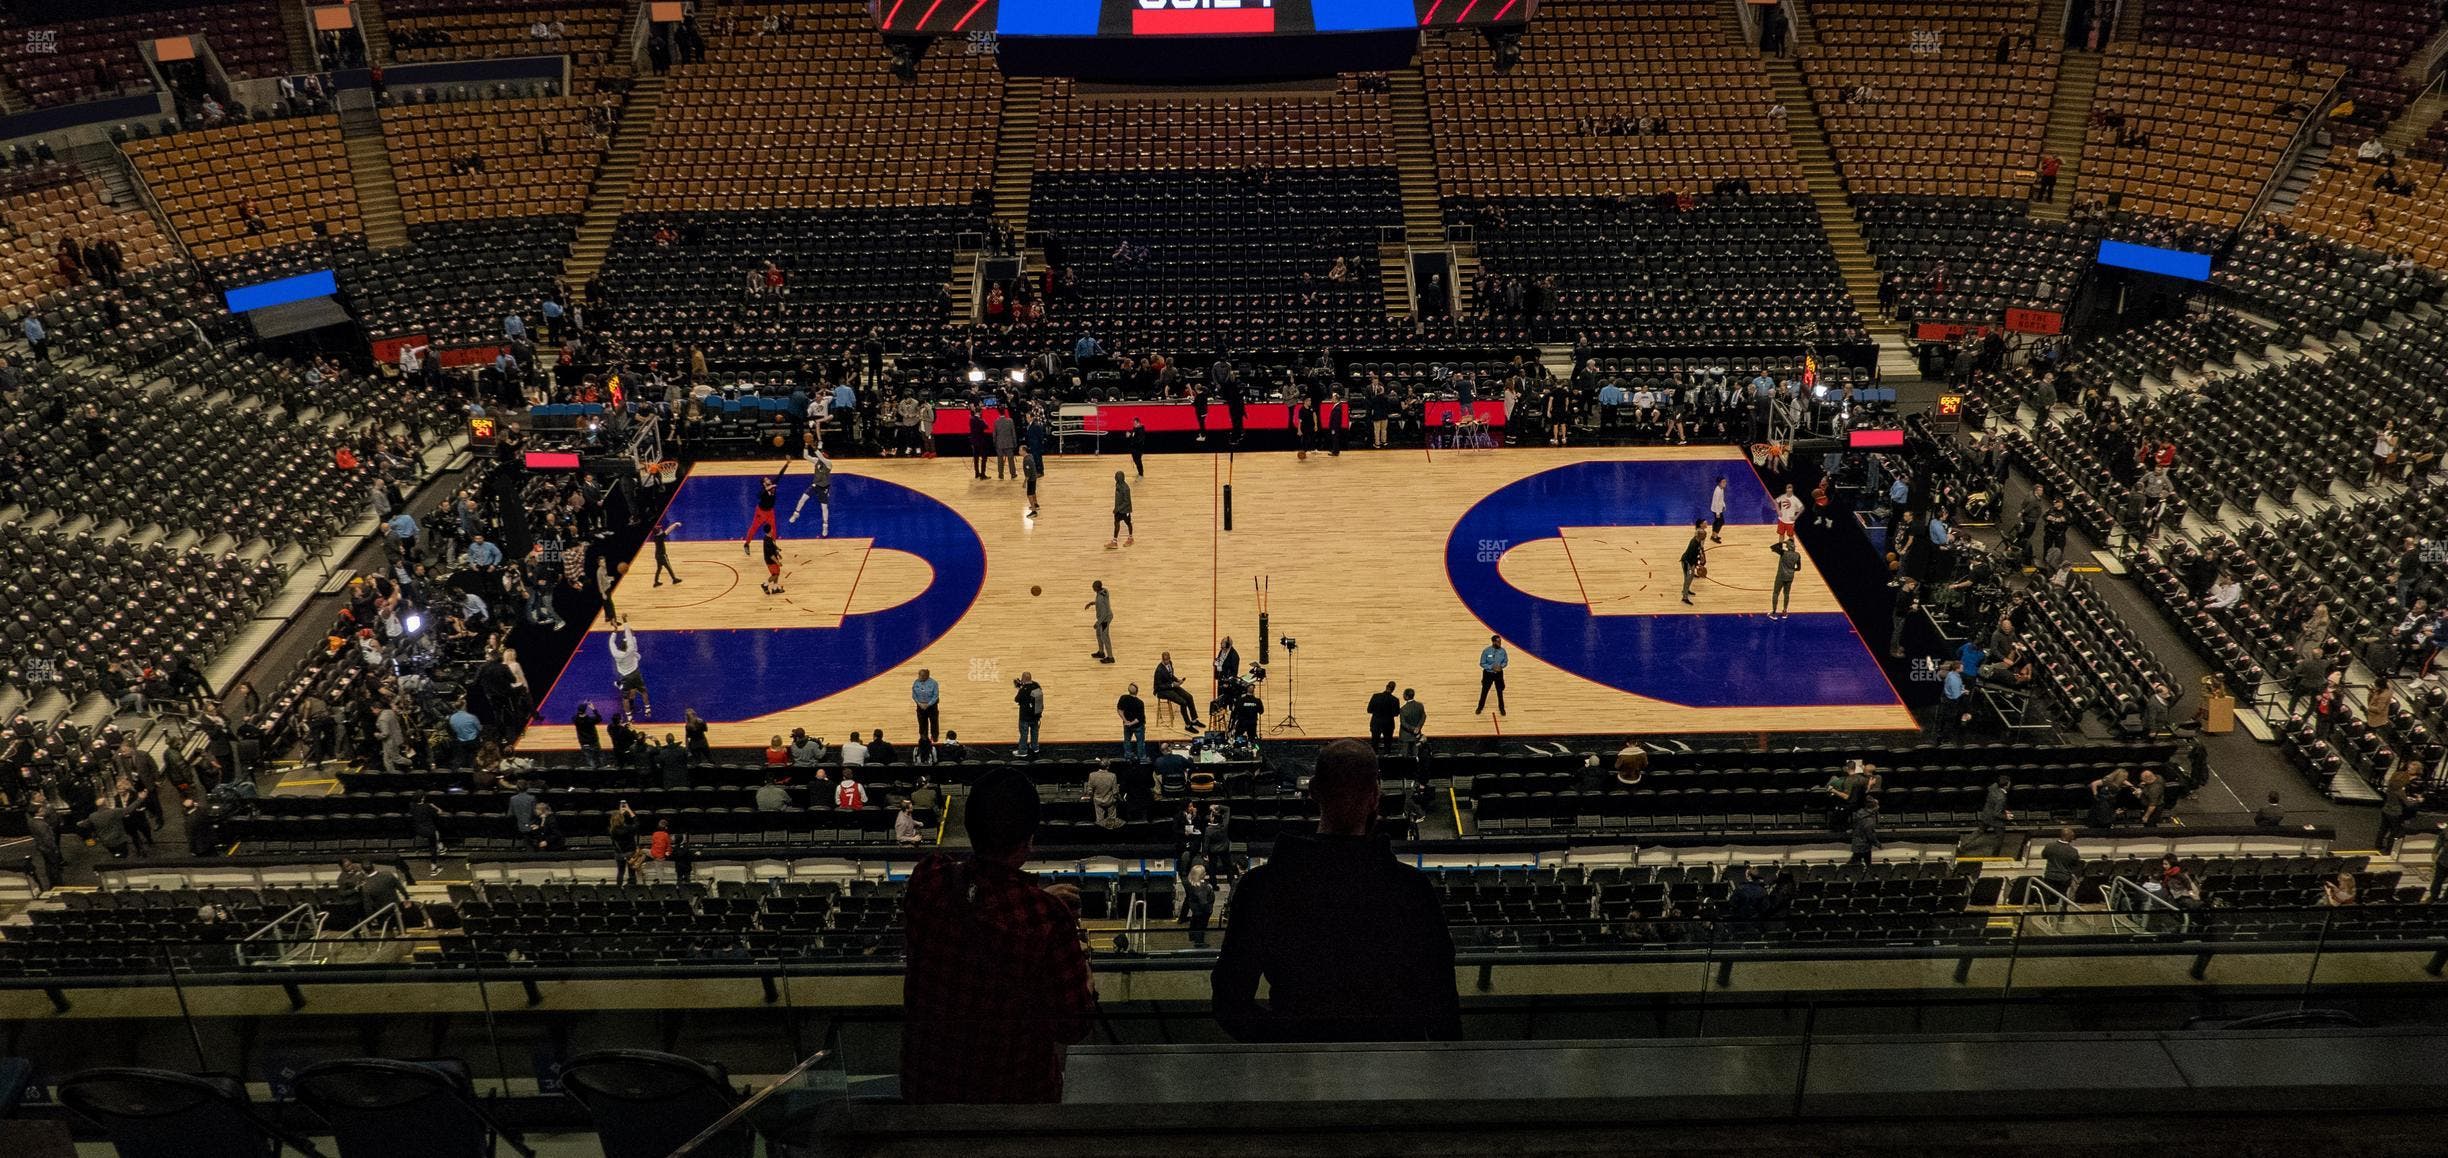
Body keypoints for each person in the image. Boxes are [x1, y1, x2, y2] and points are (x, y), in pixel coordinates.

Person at [1212, 740, 1459, 1041]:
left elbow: (1229, 1002)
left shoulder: (1260, 887)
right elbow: (1443, 1004)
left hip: (1297, 1074)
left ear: (1313, 791)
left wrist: (1287, 1043)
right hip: (1394, 1074)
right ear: (1375, 797)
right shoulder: (1413, 889)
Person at [900, 769, 1096, 1103]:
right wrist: (1083, 957)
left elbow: (976, 891)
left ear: (969, 826)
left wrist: (1036, 899)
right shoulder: (1046, 919)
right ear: (1029, 840)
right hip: (1014, 1104)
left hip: (926, 1096)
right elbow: (1074, 1025)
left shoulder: (928, 880)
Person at [1153, 652, 1202, 730]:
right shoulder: (1159, 670)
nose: (1167, 661)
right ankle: (1188, 725)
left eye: (1168, 659)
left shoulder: (1170, 663)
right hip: (1161, 691)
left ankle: (1194, 720)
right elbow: (1159, 686)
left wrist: (1177, 680)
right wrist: (1172, 685)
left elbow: (1170, 675)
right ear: (1162, 659)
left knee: (1189, 697)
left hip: (1170, 686)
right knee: (1183, 702)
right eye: (1165, 660)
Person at [609, 623, 649, 719]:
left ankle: (629, 715)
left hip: (624, 673)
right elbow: (629, 637)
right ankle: (641, 708)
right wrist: (625, 622)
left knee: (628, 693)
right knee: (634, 691)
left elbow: (611, 642)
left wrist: (615, 630)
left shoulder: (616, 653)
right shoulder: (631, 647)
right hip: (633, 672)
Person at [790, 449, 833, 536]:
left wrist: (814, 448)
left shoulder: (829, 464)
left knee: (824, 507)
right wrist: (806, 446)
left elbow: (821, 457)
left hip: (824, 487)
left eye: (822, 456)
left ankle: (825, 525)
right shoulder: (817, 460)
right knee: (803, 498)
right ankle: (796, 513)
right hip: (815, 485)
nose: (820, 457)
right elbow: (805, 456)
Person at [1181, 862, 1217, 949]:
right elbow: (1203, 901)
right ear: (1202, 875)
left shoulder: (1190, 883)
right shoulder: (1203, 887)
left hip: (1195, 908)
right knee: (1201, 926)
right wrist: (1208, 910)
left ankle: (1192, 936)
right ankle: (1199, 942)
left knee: (1195, 921)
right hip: (1203, 910)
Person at [2040, 827, 2082, 894]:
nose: (2073, 839)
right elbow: (2075, 864)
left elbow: (2043, 856)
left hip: (2049, 876)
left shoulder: (2049, 846)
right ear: (2069, 837)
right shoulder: (2073, 851)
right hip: (2064, 878)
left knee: (2047, 896)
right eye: (2072, 836)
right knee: (2062, 897)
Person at [1476, 634, 1508, 716]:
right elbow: (1482, 663)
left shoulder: (1503, 651)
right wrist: (1491, 667)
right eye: (1498, 642)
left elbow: (1505, 661)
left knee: (1500, 692)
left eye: (1500, 641)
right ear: (1493, 642)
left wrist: (1501, 666)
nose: (1500, 643)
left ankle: (1502, 708)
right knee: (1484, 691)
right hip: (1488, 674)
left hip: (1499, 674)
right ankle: (1480, 707)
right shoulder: (1486, 651)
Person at [1014, 672, 1044, 757]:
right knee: (1035, 732)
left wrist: (1019, 688)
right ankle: (1035, 747)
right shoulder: (1036, 685)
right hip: (1036, 715)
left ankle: (1022, 751)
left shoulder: (1023, 689)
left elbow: (1017, 699)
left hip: (1025, 717)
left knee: (1024, 734)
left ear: (1023, 679)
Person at [1085, 580, 1116, 663]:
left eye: (1093, 587)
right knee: (1099, 634)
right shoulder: (1104, 591)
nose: (1092, 588)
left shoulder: (1099, 598)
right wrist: (1092, 603)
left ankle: (1110, 657)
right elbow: (1103, 603)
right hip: (1104, 617)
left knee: (1105, 637)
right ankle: (1101, 652)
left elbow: (1104, 614)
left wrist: (1097, 623)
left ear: (1097, 588)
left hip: (1105, 619)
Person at [1768, 538, 1799, 619]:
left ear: (1787, 546)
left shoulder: (1783, 553)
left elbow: (1773, 547)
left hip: (1781, 576)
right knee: (1786, 594)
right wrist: (1791, 570)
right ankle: (1785, 612)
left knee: (1776, 593)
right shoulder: (1797, 555)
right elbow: (1798, 568)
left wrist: (1782, 542)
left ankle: (1774, 613)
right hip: (1790, 576)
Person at [1366, 681, 1401, 751]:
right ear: (1393, 689)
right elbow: (1396, 713)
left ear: (1386, 686)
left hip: (1376, 723)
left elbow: (1369, 710)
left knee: (1374, 743)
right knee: (1388, 744)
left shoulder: (1375, 696)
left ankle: (1374, 758)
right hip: (1388, 724)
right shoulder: (1395, 700)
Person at [1116, 684, 1146, 763]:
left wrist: (1125, 721)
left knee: (1127, 741)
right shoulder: (1140, 703)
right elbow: (1140, 718)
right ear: (1137, 692)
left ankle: (1128, 757)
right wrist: (1131, 723)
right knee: (1140, 742)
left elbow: (1120, 710)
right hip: (1138, 726)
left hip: (1127, 725)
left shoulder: (1123, 698)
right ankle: (1141, 758)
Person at [1086, 760, 1122, 827]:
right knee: (1112, 821)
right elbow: (1115, 791)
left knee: (1099, 821)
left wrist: (1091, 798)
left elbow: (1089, 790)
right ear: (1108, 767)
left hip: (1098, 800)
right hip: (1110, 800)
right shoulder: (1112, 776)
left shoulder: (1092, 775)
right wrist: (1118, 798)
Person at [1847, 796, 1882, 865]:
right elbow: (1870, 834)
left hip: (1856, 843)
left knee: (1854, 862)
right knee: (1867, 865)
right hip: (1865, 845)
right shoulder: (1869, 820)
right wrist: (1877, 844)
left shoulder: (1859, 814)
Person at [1680, 519, 1707, 606]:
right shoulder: (1694, 544)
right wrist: (1696, 565)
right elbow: (1690, 557)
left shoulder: (1697, 541)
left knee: (1690, 578)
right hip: (1687, 563)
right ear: (1700, 536)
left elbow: (1697, 554)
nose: (1705, 536)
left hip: (1691, 562)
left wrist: (1700, 559)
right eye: (1704, 535)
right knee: (1688, 577)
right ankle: (1684, 597)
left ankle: (1686, 590)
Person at [911, 668, 941, 745]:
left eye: (921, 675)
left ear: (926, 676)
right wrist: (919, 703)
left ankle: (934, 736)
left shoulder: (934, 683)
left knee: (934, 722)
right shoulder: (916, 683)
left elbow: (935, 696)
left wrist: (928, 704)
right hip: (920, 707)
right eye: (919, 675)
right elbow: (914, 695)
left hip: (931, 707)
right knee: (922, 723)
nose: (919, 677)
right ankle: (924, 738)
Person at [1398, 687, 1427, 758]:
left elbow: (1403, 723)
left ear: (1406, 696)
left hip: (1405, 736)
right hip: (1416, 736)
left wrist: (1413, 729)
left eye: (1404, 695)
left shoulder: (1403, 709)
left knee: (1404, 757)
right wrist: (1418, 727)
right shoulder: (1420, 705)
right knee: (1416, 756)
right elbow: (1423, 717)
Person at [1109, 471, 1133, 549]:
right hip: (1118, 510)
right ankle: (1114, 541)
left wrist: (1117, 509)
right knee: (1116, 523)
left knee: (1128, 523)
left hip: (1125, 510)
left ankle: (1130, 538)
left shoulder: (1126, 489)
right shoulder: (1118, 485)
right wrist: (1116, 508)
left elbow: (1127, 502)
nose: (1115, 478)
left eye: (1116, 477)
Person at [1708, 476, 1728, 543]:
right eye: (1723, 482)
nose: (1725, 483)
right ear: (1719, 483)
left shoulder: (1721, 489)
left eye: (1725, 481)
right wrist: (1717, 513)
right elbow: (1716, 502)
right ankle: (1714, 537)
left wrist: (1724, 505)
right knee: (1721, 522)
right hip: (1717, 509)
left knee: (1717, 522)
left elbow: (1721, 499)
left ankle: (1713, 535)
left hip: (1718, 509)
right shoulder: (1718, 491)